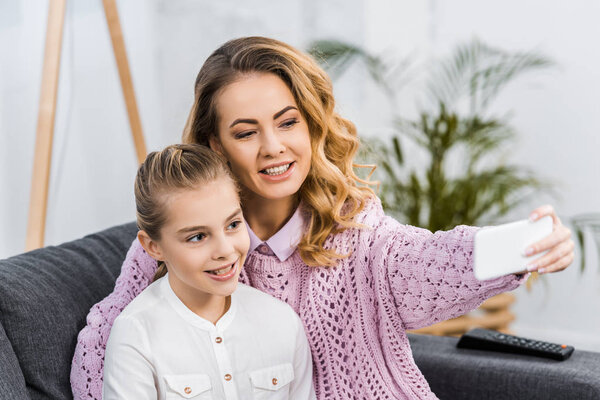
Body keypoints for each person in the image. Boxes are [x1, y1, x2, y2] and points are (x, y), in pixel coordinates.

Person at [71, 37, 575, 400]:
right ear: (215, 145)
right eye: (246, 132)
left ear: (311, 125)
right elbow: (109, 335)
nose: (274, 148)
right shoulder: (182, 244)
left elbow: (428, 261)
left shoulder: (359, 231)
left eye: (288, 122)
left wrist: (528, 244)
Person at [103, 144, 315, 399]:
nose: (225, 250)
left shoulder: (283, 322)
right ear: (153, 246)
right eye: (198, 237)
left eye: (233, 224)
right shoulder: (136, 334)